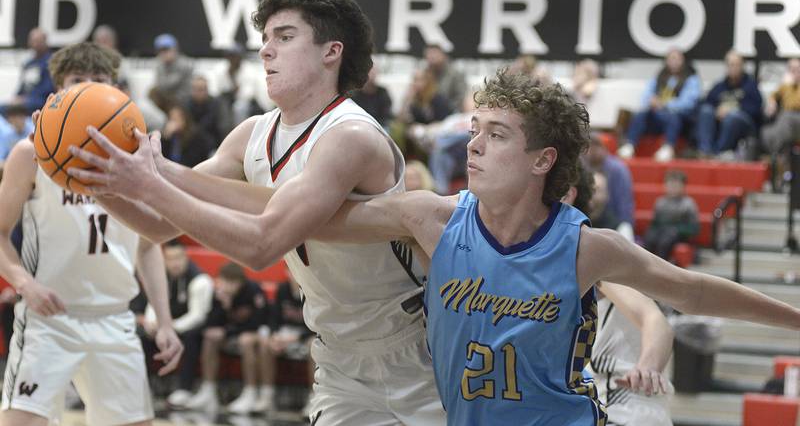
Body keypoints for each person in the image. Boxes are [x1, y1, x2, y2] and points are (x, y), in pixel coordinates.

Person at [77, 67, 800, 423]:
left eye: (495, 136)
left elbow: (691, 292)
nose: (472, 145)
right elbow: (289, 214)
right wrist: (154, 179)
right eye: (473, 130)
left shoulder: (587, 247)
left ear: (545, 159)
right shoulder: (429, 216)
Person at [67, 0, 445, 425]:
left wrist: (150, 182)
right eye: (265, 39)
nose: (266, 51)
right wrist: (93, 177)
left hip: (417, 354)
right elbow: (156, 225)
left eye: (284, 37)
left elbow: (261, 244)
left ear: (331, 52)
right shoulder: (250, 135)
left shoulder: (351, 136)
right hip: (339, 360)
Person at [0, 41, 183, 426]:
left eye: (98, 80)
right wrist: (22, 283)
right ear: (55, 94)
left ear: (117, 92)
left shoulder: (137, 158)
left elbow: (148, 245)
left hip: (115, 318)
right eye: (77, 80)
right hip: (48, 320)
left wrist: (163, 320)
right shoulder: (30, 152)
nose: (87, 87)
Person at [564, 165, 674, 426]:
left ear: (567, 195)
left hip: (627, 410)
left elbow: (654, 320)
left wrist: (648, 366)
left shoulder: (591, 257)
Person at [139, 240, 215, 408]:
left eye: (178, 258)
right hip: (168, 326)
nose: (174, 263)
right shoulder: (161, 276)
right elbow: (152, 303)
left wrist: (169, 327)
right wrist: (152, 324)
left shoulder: (200, 280)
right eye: (170, 259)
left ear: (186, 258)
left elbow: (197, 316)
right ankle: (143, 386)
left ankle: (184, 389)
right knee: (142, 335)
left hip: (190, 328)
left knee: (191, 337)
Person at [185, 262, 268, 414]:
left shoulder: (253, 291)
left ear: (240, 282)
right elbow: (211, 323)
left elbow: (259, 321)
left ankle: (250, 392)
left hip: (255, 333)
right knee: (209, 339)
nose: (227, 286)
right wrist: (225, 306)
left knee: (246, 340)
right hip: (231, 333)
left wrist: (227, 332)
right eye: (224, 281)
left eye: (232, 282)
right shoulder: (219, 293)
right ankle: (208, 390)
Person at [618, 49, 701, 161]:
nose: (674, 62)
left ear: (683, 61)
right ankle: (629, 145)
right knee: (642, 115)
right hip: (658, 116)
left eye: (677, 59)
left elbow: (688, 103)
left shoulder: (691, 78)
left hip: (679, 119)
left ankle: (668, 147)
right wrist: (651, 101)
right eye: (671, 59)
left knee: (673, 118)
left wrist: (665, 104)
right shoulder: (659, 76)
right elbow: (646, 95)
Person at [256, 272, 314, 414]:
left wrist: (296, 338)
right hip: (285, 334)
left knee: (314, 346)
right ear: (288, 273)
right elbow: (274, 317)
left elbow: (317, 327)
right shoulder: (283, 289)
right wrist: (274, 335)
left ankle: (313, 398)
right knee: (265, 344)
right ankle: (266, 395)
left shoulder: (313, 290)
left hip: (306, 335)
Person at [695, 50, 762, 158]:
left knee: (732, 117)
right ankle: (705, 151)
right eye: (731, 65)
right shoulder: (719, 86)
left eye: (737, 65)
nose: (733, 68)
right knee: (706, 110)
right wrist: (717, 110)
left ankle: (719, 152)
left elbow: (756, 109)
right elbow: (708, 102)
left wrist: (732, 110)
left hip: (744, 123)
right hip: (721, 121)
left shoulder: (751, 85)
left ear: (742, 66)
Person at [643, 170, 700, 261]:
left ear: (683, 186)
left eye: (676, 185)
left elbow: (693, 229)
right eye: (670, 185)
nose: (673, 188)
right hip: (662, 232)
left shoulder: (688, 204)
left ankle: (662, 266)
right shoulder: (660, 202)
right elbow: (654, 224)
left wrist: (677, 229)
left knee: (666, 239)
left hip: (679, 235)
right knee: (650, 237)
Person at [584, 133, 634, 226]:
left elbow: (624, 200)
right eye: (589, 148)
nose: (592, 152)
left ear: (603, 148)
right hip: (588, 216)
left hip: (612, 218)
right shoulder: (584, 165)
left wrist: (625, 223)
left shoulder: (618, 169)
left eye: (595, 147)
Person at [6, 28, 54, 115]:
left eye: (38, 41)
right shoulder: (28, 64)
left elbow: (48, 89)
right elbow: (22, 87)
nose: (35, 43)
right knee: (4, 107)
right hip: (25, 101)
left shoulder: (50, 62)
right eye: (33, 40)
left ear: (45, 41)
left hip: (41, 101)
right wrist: (16, 97)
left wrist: (25, 99)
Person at [761, 57, 800, 155]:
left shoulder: (788, 86)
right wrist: (772, 103)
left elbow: (794, 105)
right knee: (765, 132)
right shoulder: (784, 86)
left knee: (787, 117)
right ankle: (777, 157)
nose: (794, 73)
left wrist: (788, 87)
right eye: (791, 70)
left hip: (796, 119)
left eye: (797, 69)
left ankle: (774, 153)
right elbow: (773, 96)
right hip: (785, 122)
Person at [152, 33, 194, 104]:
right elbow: (159, 85)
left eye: (166, 50)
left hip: (182, 99)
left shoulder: (184, 63)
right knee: (152, 92)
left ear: (175, 49)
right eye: (161, 51)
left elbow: (169, 85)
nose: (164, 53)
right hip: (167, 97)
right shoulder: (160, 64)